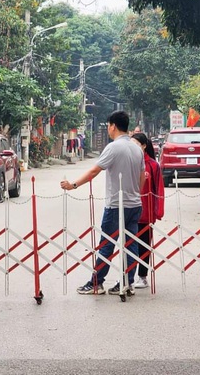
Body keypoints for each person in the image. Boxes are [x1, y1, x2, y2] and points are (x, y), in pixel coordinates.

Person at [60, 110, 145, 295]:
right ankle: (127, 282)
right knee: (131, 244)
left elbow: (93, 171)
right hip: (135, 204)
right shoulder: (137, 148)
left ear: (113, 126)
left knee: (107, 244)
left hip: (116, 205)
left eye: (108, 125)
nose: (108, 128)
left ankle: (96, 283)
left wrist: (73, 184)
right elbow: (141, 178)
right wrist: (134, 193)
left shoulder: (113, 147)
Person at [131, 132, 165, 289]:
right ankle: (128, 275)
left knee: (144, 245)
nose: (133, 147)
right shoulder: (128, 163)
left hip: (145, 214)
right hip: (129, 211)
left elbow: (159, 189)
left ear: (144, 146)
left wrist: (158, 211)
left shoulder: (152, 165)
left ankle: (142, 276)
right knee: (129, 245)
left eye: (136, 144)